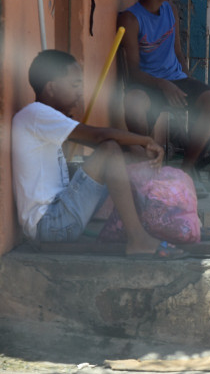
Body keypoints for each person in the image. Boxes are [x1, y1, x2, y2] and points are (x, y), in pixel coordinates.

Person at [11, 50, 182, 258]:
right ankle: (138, 238)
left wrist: (136, 149)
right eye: (74, 85)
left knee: (119, 156)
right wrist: (145, 140)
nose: (80, 92)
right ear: (51, 87)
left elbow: (98, 140)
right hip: (51, 225)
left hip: (59, 219)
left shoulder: (44, 118)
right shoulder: (36, 114)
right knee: (110, 150)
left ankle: (155, 224)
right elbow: (100, 136)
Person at [117, 0, 210, 181]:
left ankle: (186, 171)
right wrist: (162, 85)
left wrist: (187, 79)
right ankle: (147, 167)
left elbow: (177, 52)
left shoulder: (170, 10)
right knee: (134, 103)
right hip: (147, 83)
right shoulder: (131, 18)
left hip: (176, 80)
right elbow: (133, 71)